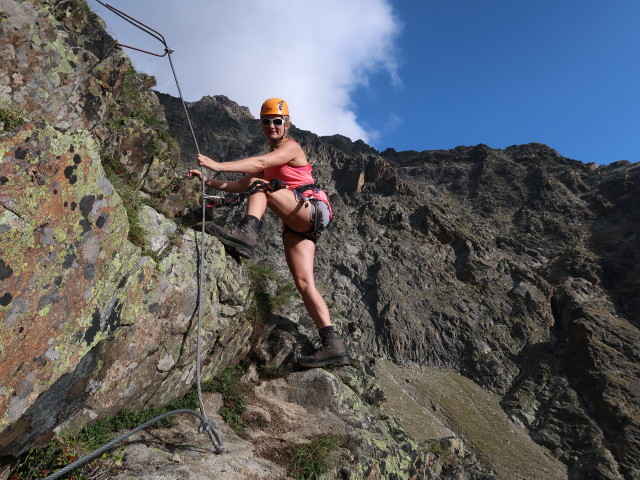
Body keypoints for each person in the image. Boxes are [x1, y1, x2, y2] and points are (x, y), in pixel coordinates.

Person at [187, 98, 349, 368]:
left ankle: (247, 232)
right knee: (304, 282)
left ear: (287, 124)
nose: (272, 126)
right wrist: (207, 180)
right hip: (297, 222)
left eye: (277, 121)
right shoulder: (270, 160)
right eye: (267, 121)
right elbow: (243, 185)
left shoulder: (291, 147)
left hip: (310, 208)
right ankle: (333, 344)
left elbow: (259, 164)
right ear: (262, 124)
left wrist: (217, 164)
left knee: (260, 182)